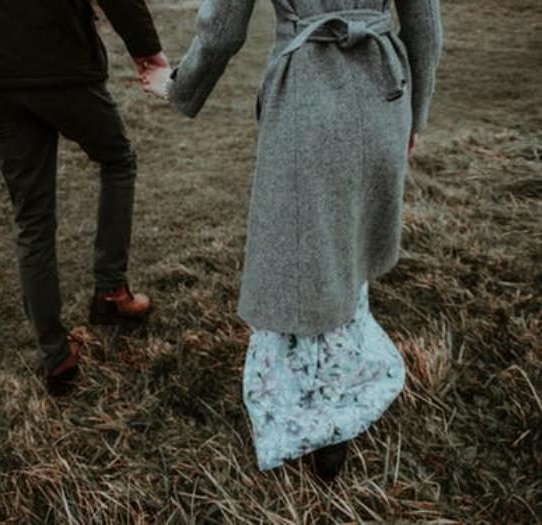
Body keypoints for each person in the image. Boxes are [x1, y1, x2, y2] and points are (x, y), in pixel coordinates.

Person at [144, 0, 442, 479]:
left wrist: (180, 84)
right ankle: (338, 406)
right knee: (341, 253)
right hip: (384, 95)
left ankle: (318, 423)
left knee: (304, 259)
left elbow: (223, 29)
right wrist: (416, 113)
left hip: (307, 103)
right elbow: (425, 25)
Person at [0, 0, 169, 394]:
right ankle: (111, 290)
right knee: (117, 160)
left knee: (32, 216)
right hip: (59, 55)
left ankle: (56, 355)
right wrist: (146, 48)